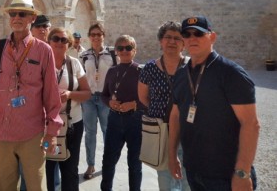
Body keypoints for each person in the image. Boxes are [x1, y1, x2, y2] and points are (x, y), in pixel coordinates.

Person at [0, 0, 62, 191]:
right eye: (13, 13)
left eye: (22, 14)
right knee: (5, 186)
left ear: (32, 18)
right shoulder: (0, 48)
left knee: (36, 185)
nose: (17, 17)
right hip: (3, 132)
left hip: (32, 133)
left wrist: (51, 133)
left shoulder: (43, 50)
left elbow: (52, 93)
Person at [169, 16, 260, 191]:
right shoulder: (181, 75)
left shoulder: (231, 74)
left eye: (199, 33)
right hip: (194, 171)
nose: (192, 38)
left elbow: (251, 124)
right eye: (187, 34)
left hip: (226, 175)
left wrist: (242, 173)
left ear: (212, 37)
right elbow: (175, 116)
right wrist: (172, 155)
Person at [138, 21, 190, 191]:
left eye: (177, 38)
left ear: (183, 43)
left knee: (188, 178)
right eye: (168, 37)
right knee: (165, 179)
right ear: (161, 41)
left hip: (189, 131)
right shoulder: (150, 68)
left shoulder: (192, 67)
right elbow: (143, 97)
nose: (172, 41)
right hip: (161, 131)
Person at [46, 27, 91, 191]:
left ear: (69, 44)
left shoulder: (74, 63)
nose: (59, 42)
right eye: (56, 39)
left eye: (63, 40)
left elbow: (87, 93)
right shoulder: (41, 64)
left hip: (72, 124)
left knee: (70, 168)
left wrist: (70, 94)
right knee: (47, 167)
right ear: (49, 41)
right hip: (46, 126)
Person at [100, 35, 143, 191]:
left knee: (135, 164)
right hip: (114, 121)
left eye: (128, 48)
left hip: (135, 122)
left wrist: (133, 104)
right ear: (116, 51)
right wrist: (109, 102)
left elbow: (149, 99)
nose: (124, 51)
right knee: (108, 161)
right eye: (120, 48)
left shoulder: (140, 71)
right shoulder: (112, 71)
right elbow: (104, 95)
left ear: (134, 51)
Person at [80, 23, 117, 179]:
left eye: (98, 34)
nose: (95, 37)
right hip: (88, 98)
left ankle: (108, 164)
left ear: (103, 35)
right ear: (89, 37)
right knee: (90, 133)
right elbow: (80, 77)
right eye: (93, 34)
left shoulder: (113, 54)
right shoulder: (84, 56)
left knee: (107, 131)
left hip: (105, 97)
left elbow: (117, 76)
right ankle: (90, 165)